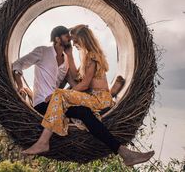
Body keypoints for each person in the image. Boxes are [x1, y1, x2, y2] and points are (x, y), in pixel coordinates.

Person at [20, 25, 154, 167]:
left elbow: (83, 85)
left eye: (76, 41)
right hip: (92, 97)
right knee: (64, 99)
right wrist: (70, 56)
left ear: (84, 39)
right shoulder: (86, 57)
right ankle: (125, 154)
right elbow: (74, 78)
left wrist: (58, 94)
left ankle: (43, 142)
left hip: (99, 99)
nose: (74, 44)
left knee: (59, 94)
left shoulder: (92, 56)